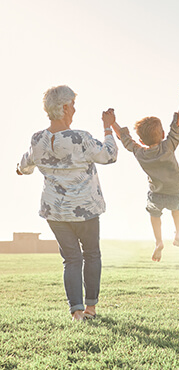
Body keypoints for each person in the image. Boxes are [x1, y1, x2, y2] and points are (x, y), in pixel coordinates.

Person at [17, 85, 118, 321]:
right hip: (86, 210)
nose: (74, 108)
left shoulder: (37, 139)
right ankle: (91, 309)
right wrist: (107, 127)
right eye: (72, 104)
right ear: (64, 108)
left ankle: (77, 313)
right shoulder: (80, 138)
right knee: (91, 255)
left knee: (71, 259)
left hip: (55, 213)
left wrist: (20, 170)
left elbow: (24, 165)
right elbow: (109, 156)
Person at [110, 83, 179, 262]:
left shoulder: (140, 152)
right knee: (177, 208)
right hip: (175, 190)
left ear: (141, 139)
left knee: (154, 214)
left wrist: (112, 123)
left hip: (156, 193)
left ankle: (158, 242)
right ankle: (178, 233)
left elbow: (125, 139)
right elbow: (177, 122)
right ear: (163, 134)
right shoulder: (168, 145)